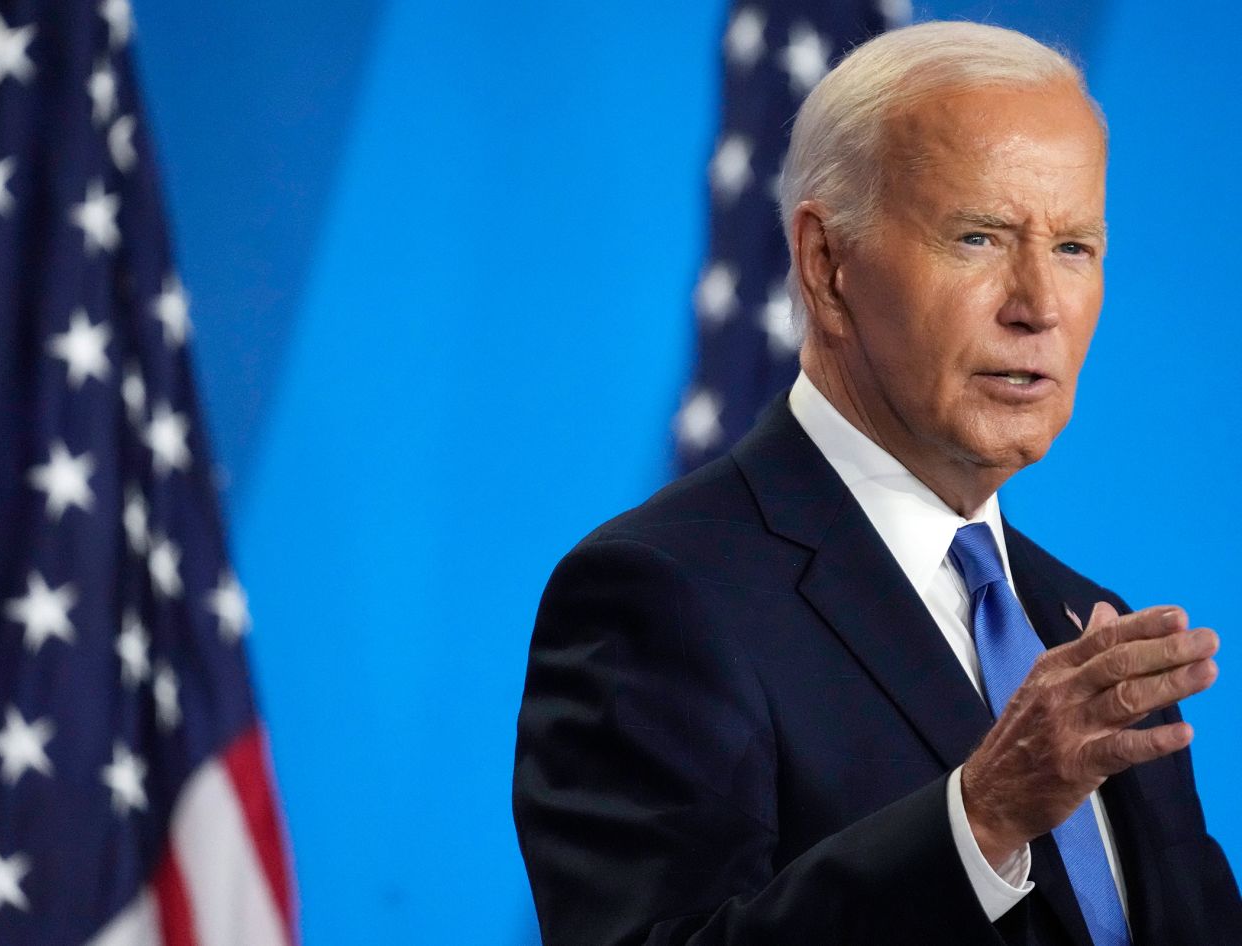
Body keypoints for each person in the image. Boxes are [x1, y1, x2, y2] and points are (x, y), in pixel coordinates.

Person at [512, 21, 1242, 946]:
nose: (1039, 307)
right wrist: (975, 821)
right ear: (827, 265)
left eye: (1074, 248)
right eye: (980, 237)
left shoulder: (1084, 627)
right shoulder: (660, 594)